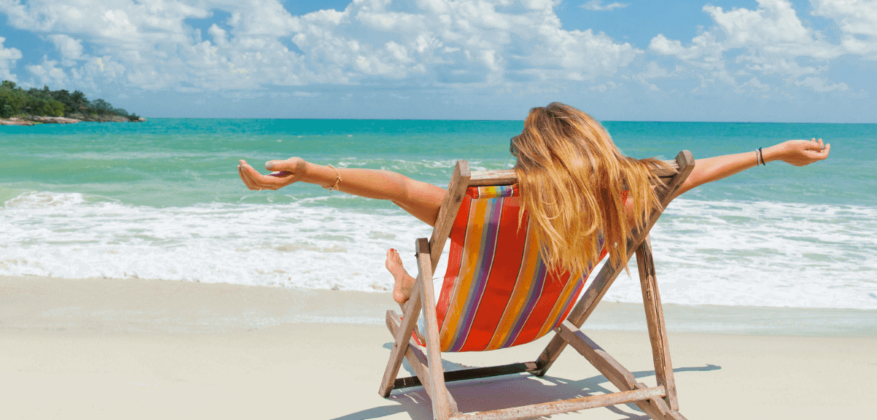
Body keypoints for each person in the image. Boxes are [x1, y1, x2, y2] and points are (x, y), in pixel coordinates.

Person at [237, 102, 830, 305]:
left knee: (426, 273)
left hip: (461, 328)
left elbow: (392, 184)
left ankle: (405, 290)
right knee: (429, 271)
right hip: (547, 317)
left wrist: (310, 173)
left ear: (527, 155)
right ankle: (406, 287)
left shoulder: (475, 207)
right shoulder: (626, 199)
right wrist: (774, 151)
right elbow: (691, 170)